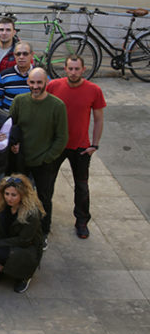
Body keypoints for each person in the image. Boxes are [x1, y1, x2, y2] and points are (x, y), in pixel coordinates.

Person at [47, 55, 105, 239]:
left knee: (82, 187)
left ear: (83, 69)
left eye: (76, 69)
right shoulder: (53, 86)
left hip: (81, 147)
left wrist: (94, 145)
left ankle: (82, 221)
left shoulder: (94, 90)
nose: (73, 72)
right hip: (56, 145)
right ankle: (43, 220)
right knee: (46, 185)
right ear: (65, 69)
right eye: (70, 69)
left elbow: (98, 119)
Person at [9, 68, 68, 241]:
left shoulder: (57, 106)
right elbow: (11, 125)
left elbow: (62, 137)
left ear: (46, 82)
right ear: (27, 82)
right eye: (32, 82)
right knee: (17, 196)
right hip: (21, 161)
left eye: (39, 82)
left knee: (44, 198)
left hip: (44, 163)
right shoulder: (20, 101)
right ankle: (19, 228)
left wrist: (47, 158)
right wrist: (13, 144)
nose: (35, 86)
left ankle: (42, 232)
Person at [0, 174, 45, 293]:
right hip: (6, 244)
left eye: (14, 195)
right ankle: (4, 266)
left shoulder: (32, 213)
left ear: (22, 194)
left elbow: (24, 240)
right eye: (7, 194)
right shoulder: (1, 206)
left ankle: (24, 275)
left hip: (26, 247)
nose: (9, 198)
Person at [0, 42, 34, 110]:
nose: (21, 57)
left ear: (32, 55)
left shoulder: (41, 76)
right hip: (8, 117)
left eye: (25, 54)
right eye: (18, 54)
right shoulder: (4, 76)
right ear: (14, 55)